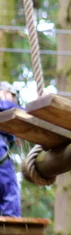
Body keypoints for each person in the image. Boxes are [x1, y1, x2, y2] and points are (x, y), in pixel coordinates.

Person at [0, 82, 21, 217]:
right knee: (9, 190)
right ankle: (11, 221)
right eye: (11, 96)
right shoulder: (4, 105)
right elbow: (19, 112)